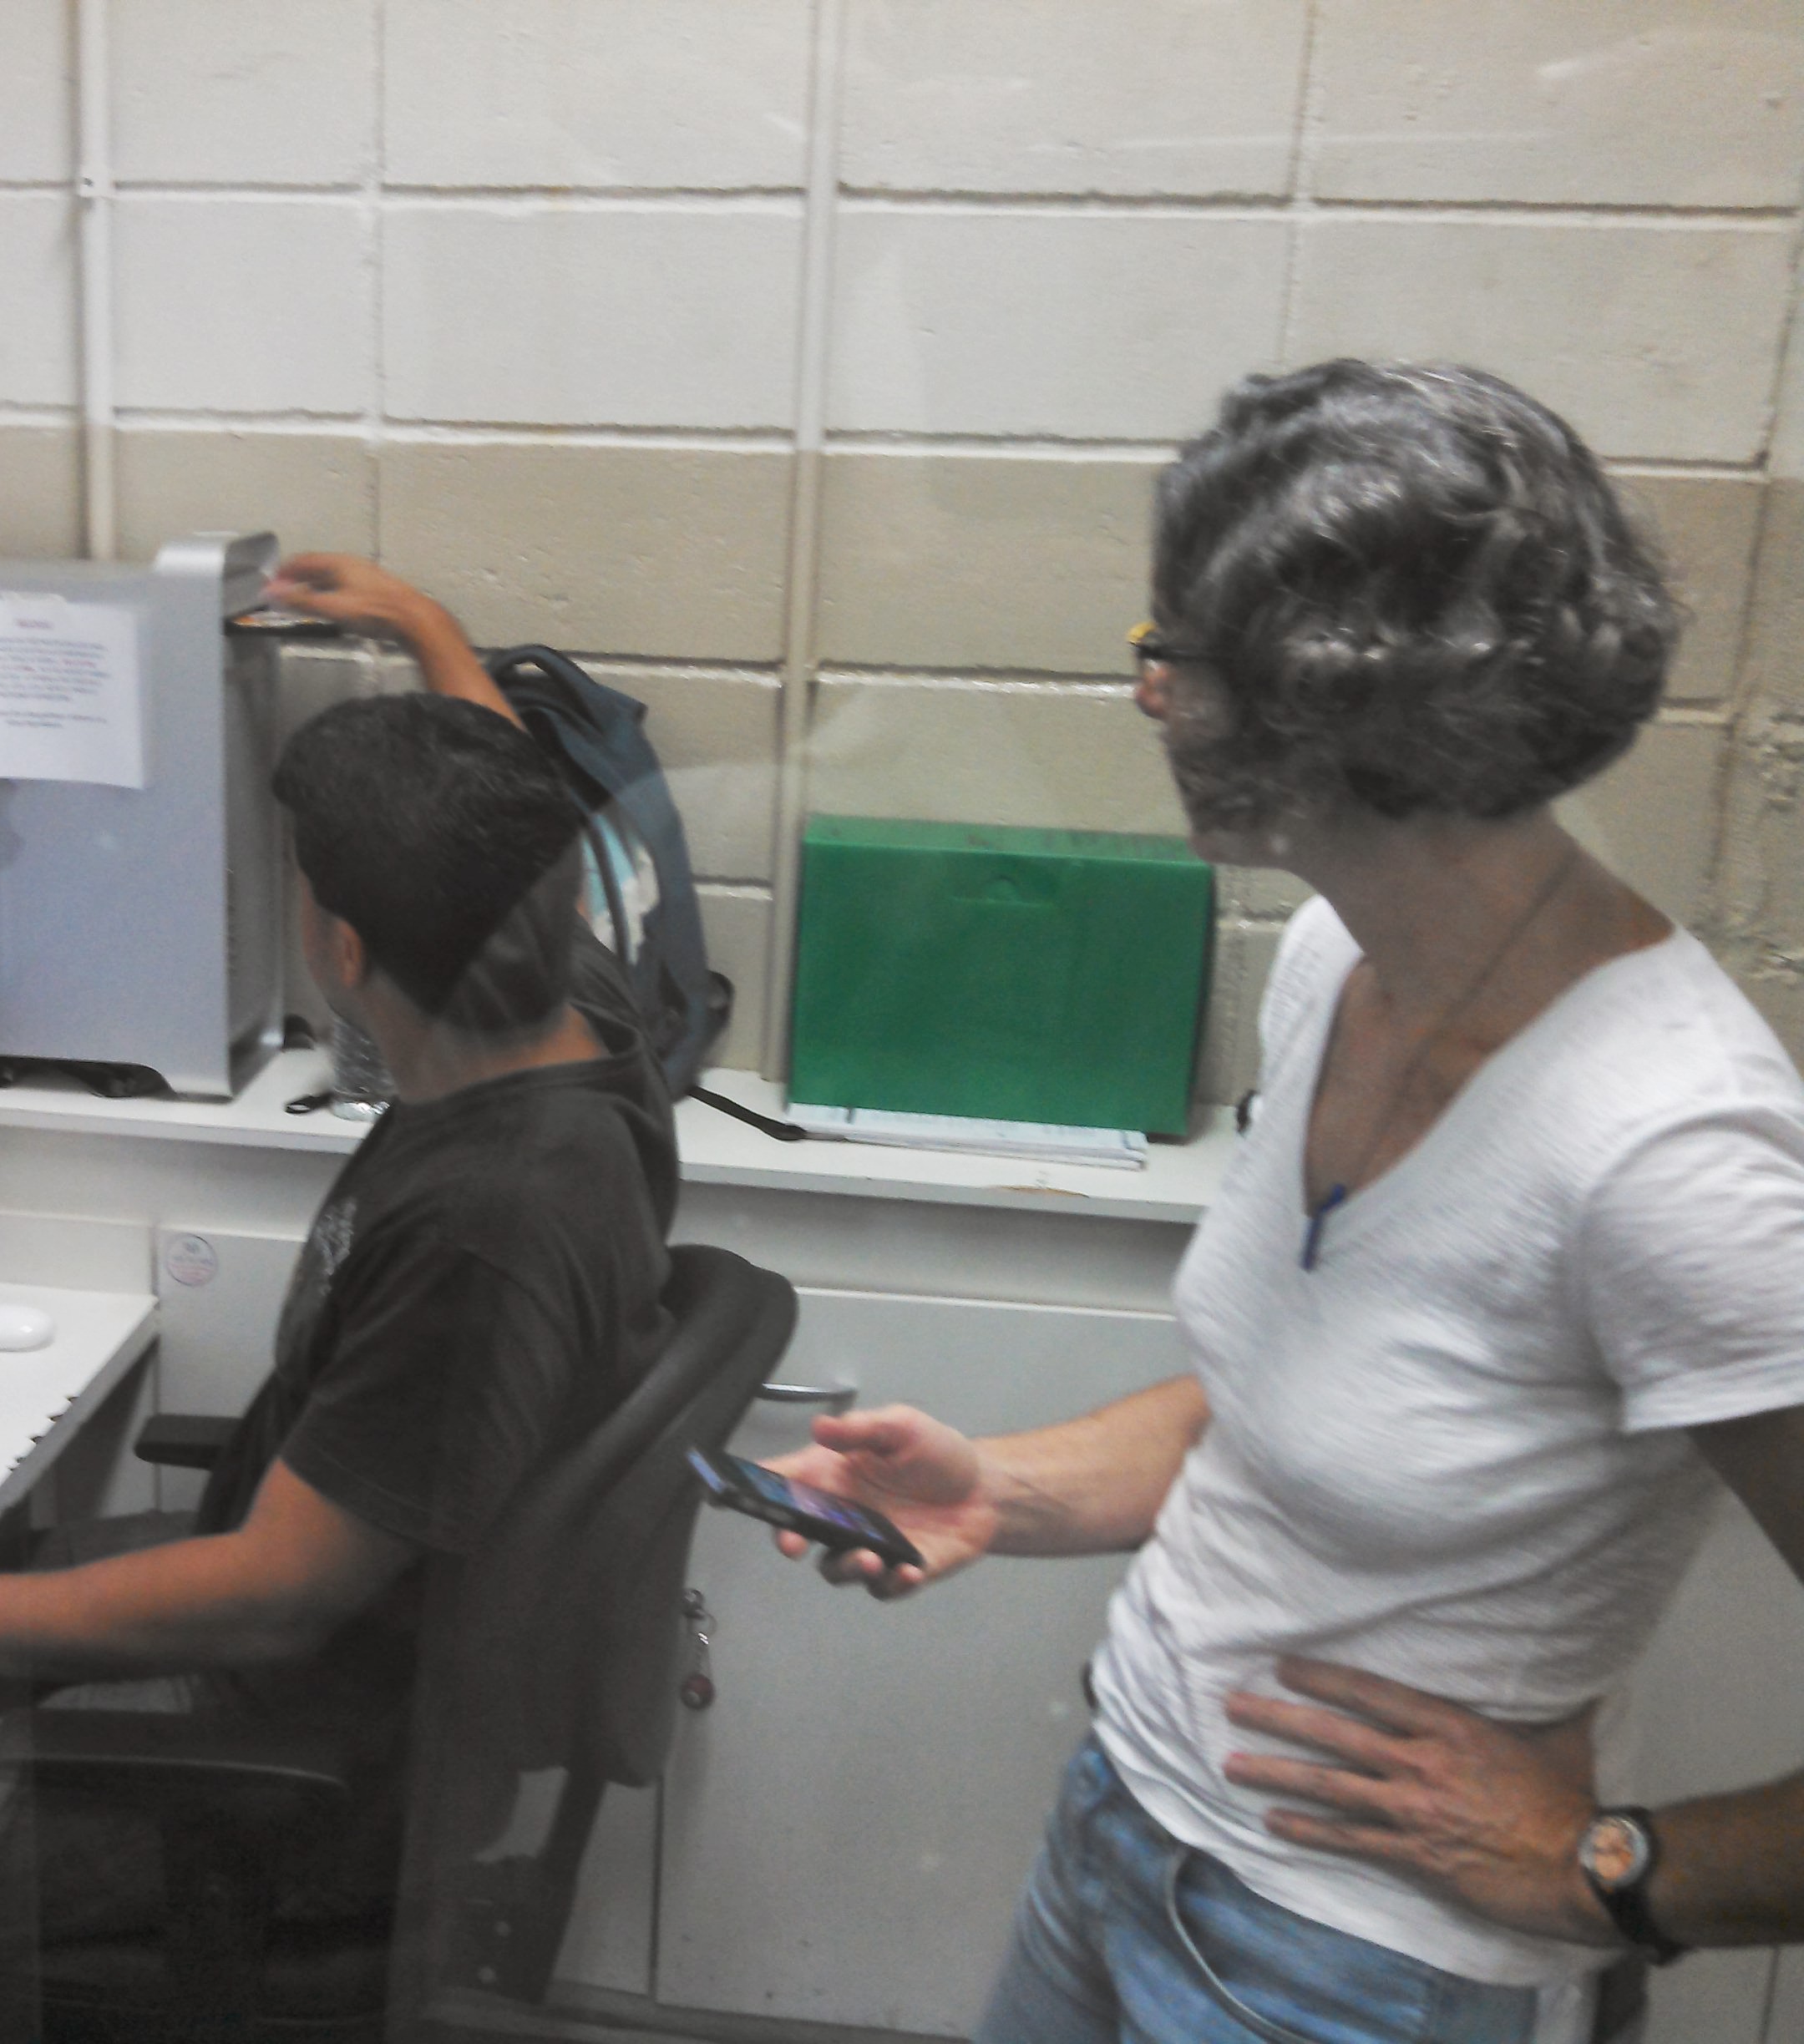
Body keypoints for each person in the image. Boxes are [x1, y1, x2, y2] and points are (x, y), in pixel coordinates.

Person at [765, 361, 1804, 2044]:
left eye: (1172, 656)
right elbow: (1301, 1403)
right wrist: (1002, 1493)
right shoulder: (1340, 958)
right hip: (1129, 1813)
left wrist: (1616, 1870)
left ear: (1335, 709)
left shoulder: (1672, 1153)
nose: (1152, 696)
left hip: (1350, 1965)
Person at [0, 685, 681, 2033]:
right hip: (335, 1661)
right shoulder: (578, 1024)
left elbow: (274, 1597)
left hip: (293, 1748)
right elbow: (510, 819)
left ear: (346, 946)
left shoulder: (489, 1226)